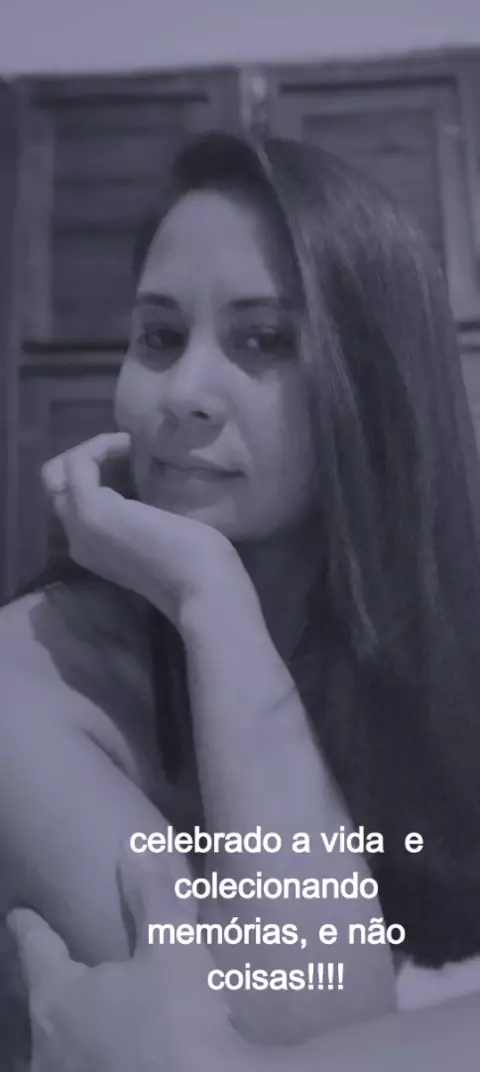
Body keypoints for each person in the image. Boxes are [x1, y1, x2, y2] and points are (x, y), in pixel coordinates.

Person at [1, 130, 480, 1066]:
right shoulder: (28, 683)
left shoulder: (445, 643)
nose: (183, 391)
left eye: (262, 340)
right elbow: (314, 1019)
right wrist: (209, 596)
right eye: (159, 336)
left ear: (374, 384)